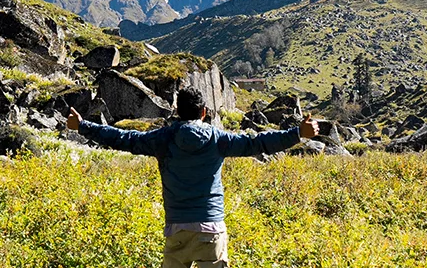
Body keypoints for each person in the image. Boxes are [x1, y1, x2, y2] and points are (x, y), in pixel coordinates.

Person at [67, 88, 318, 268]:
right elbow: (258, 143)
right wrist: (298, 133)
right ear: (204, 112)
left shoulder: (162, 138)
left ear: (177, 111)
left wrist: (83, 126)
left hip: (176, 229)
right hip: (211, 228)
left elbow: (123, 138)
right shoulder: (219, 139)